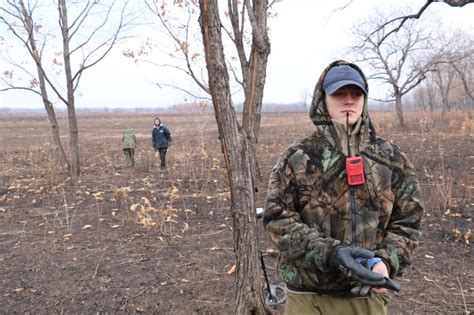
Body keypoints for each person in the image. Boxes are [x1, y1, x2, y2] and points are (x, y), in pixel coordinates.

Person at [263, 60, 424, 314]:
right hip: (308, 297)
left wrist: (385, 262)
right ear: (322, 99)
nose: (348, 100)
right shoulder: (298, 157)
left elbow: (408, 221)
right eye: (339, 94)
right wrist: (331, 254)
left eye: (355, 93)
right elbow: (276, 218)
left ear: (364, 99)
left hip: (366, 296)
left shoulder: (391, 159)